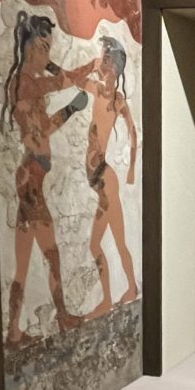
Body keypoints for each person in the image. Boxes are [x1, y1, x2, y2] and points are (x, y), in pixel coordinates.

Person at [1, 11, 95, 347]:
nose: (47, 54)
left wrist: (71, 108)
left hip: (31, 178)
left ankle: (15, 331)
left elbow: (44, 130)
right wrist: (87, 68)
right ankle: (61, 316)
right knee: (50, 254)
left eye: (49, 48)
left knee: (26, 263)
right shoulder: (27, 83)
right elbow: (62, 83)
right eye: (43, 47)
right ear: (29, 48)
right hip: (30, 182)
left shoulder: (29, 84)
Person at [75, 36, 139, 318]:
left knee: (99, 243)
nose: (102, 62)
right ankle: (128, 289)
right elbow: (74, 79)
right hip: (100, 179)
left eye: (107, 58)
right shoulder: (101, 90)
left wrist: (132, 169)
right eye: (102, 57)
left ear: (115, 66)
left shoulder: (112, 97)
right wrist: (92, 64)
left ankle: (112, 298)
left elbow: (134, 132)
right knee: (115, 242)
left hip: (104, 179)